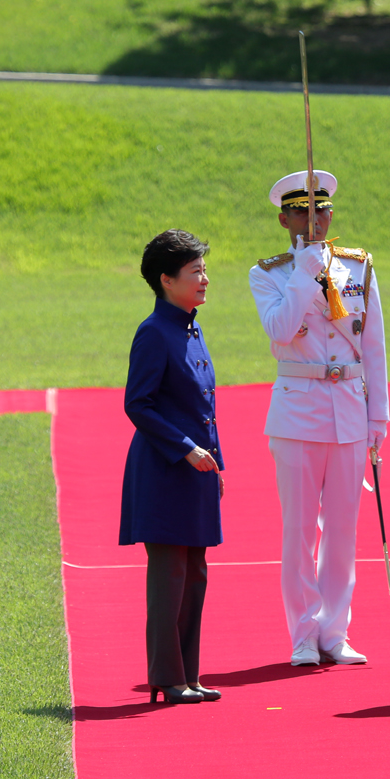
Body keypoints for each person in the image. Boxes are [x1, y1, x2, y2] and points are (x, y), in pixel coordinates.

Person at [249, 170, 388, 667]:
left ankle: (335, 632)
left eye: (323, 210)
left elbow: (373, 347)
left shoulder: (358, 267)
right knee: (300, 530)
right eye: (304, 211)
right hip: (298, 409)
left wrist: (379, 418)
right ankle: (303, 634)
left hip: (350, 408)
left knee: (344, 532)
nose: (316, 219)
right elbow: (282, 330)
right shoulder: (269, 273)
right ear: (284, 218)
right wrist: (305, 274)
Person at [119, 229, 225, 705]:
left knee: (195, 575)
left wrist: (216, 463)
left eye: (204, 269)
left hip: (198, 471)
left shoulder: (190, 325)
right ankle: (167, 676)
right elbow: (138, 405)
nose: (204, 278)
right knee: (170, 578)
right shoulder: (154, 332)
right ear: (166, 280)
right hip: (166, 470)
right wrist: (186, 448)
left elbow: (203, 405)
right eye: (194, 271)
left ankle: (188, 674)